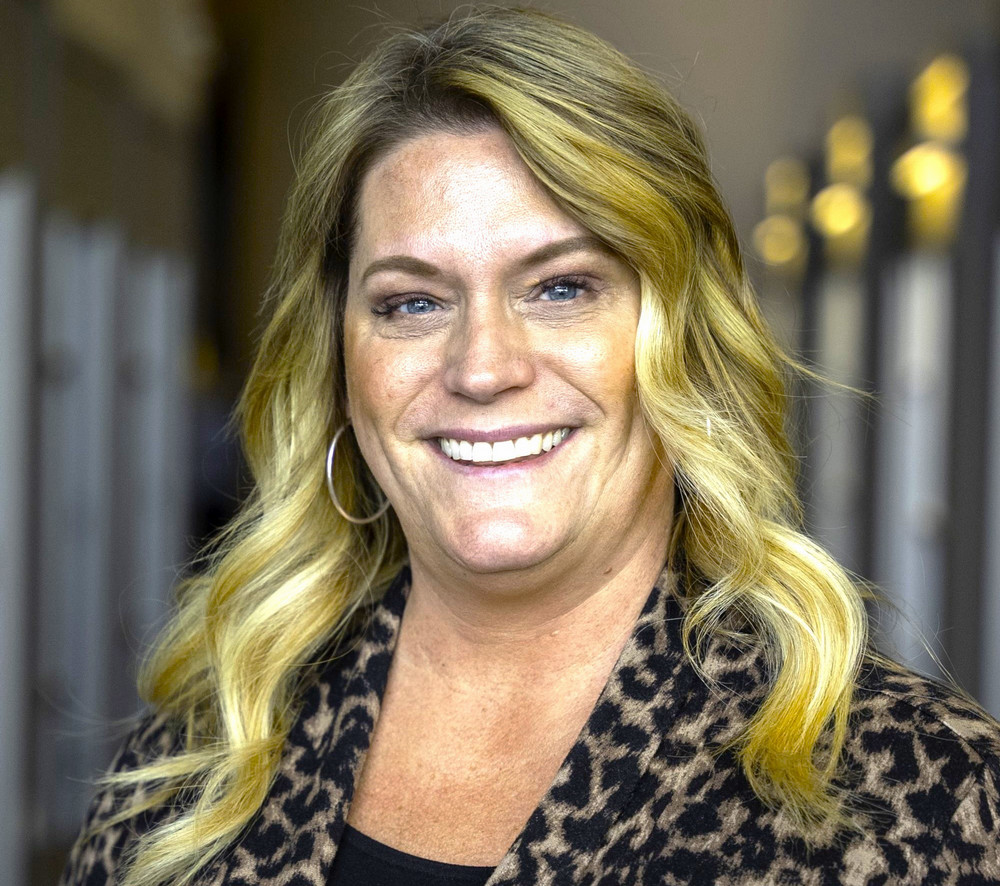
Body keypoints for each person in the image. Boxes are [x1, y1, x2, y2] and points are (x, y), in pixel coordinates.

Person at [62, 8, 1000, 886]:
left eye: (561, 288)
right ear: (340, 366)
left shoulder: (926, 798)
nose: (482, 367)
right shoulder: (192, 772)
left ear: (682, 338)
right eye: (412, 302)